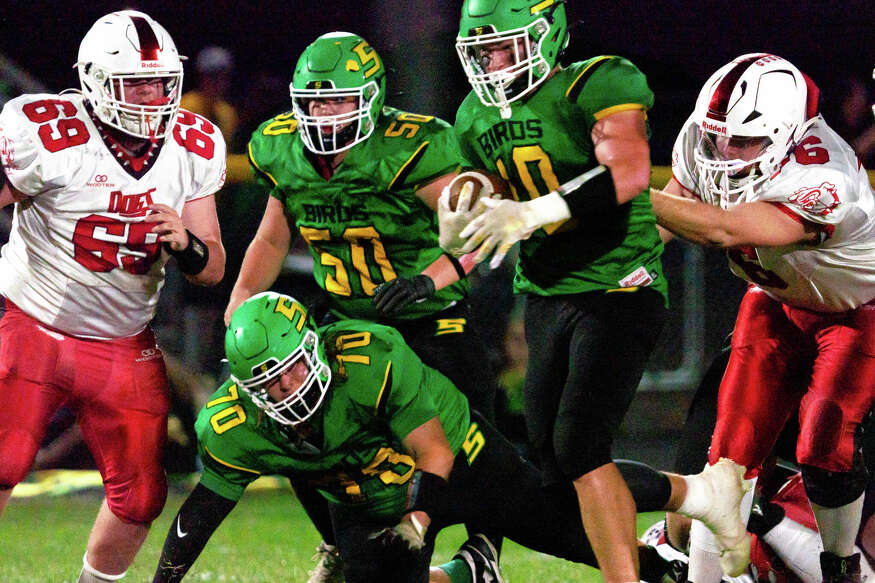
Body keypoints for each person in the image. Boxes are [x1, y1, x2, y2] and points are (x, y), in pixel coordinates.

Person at [152, 291, 749, 583]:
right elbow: (205, 507)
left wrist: (418, 524)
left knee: (563, 522)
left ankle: (694, 497)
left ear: (317, 350)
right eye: (269, 383)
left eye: (293, 370)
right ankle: (471, 572)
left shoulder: (368, 357)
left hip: (457, 458)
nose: (286, 390)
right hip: (363, 497)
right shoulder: (234, 426)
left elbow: (432, 453)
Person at [224, 31, 501, 580]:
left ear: (371, 99)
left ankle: (483, 549)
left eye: (338, 100)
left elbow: (482, 228)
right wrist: (242, 298)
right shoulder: (284, 151)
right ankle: (341, 543)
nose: (325, 115)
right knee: (299, 430)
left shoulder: (413, 147)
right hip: (349, 322)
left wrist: (427, 280)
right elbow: (273, 238)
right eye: (315, 102)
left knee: (474, 445)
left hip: (429, 319)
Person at [439, 2, 674, 581]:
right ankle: (694, 498)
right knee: (553, 463)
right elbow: (490, 199)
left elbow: (628, 172)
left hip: (621, 282)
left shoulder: (597, 80)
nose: (490, 62)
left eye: (501, 46)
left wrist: (533, 212)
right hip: (549, 291)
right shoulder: (475, 115)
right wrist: (461, 213)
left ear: (547, 36)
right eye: (480, 51)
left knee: (579, 446)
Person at [0, 10, 226, 583]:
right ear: (97, 82)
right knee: (2, 461)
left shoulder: (192, 142)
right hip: (35, 325)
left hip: (123, 340)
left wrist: (187, 246)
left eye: (161, 83)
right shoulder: (50, 132)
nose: (152, 97)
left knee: (144, 495)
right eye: (136, 84)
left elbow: (212, 267)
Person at [649, 52, 875, 583]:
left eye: (745, 141)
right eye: (719, 136)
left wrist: (625, 193)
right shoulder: (704, 138)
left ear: (789, 136)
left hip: (857, 313)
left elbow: (726, 229)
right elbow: (662, 222)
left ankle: (840, 564)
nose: (725, 151)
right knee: (724, 462)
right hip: (774, 305)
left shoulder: (826, 175)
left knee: (825, 440)